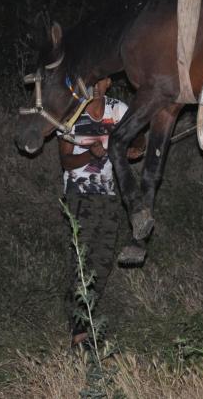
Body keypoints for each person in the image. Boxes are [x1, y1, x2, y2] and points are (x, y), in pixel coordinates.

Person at [59, 76, 143, 347]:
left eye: (102, 78)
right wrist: (91, 156)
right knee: (81, 262)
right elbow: (66, 160)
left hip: (108, 195)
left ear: (108, 81)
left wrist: (133, 149)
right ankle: (80, 331)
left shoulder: (118, 110)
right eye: (93, 77)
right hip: (78, 195)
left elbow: (139, 138)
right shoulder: (72, 112)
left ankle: (83, 318)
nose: (97, 82)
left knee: (103, 262)